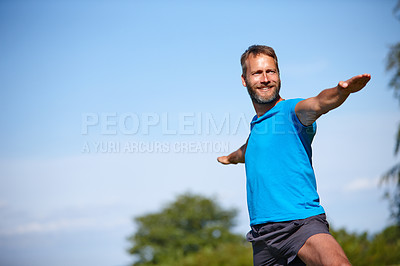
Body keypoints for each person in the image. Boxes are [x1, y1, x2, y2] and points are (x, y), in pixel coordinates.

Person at [217, 45, 371, 265]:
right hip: (262, 238)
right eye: (257, 73)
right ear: (244, 80)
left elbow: (318, 103)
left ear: (279, 76)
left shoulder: (292, 112)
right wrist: (230, 158)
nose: (265, 78)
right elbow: (247, 150)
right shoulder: (258, 127)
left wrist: (341, 91)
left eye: (270, 71)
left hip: (300, 224)